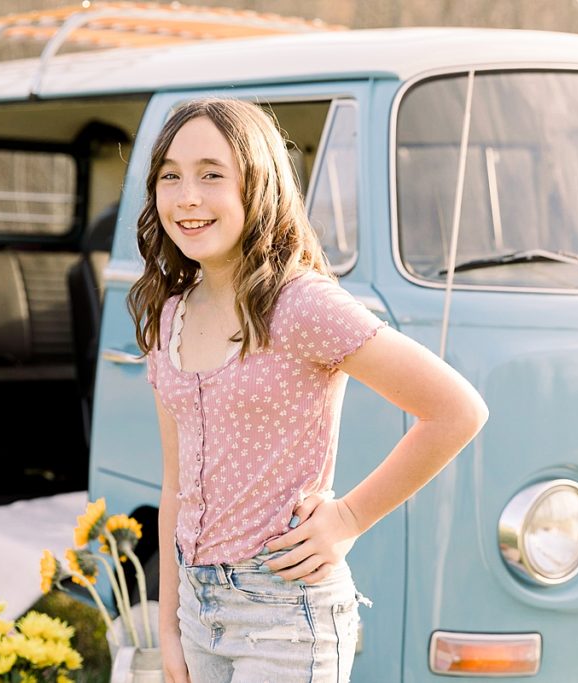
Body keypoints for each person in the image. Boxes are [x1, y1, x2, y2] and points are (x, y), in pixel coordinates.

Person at [127, 98, 488, 683]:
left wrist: (347, 517)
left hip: (285, 614)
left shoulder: (300, 303)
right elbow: (175, 488)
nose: (187, 196)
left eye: (212, 174)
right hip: (197, 612)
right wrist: (169, 626)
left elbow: (455, 411)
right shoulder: (169, 316)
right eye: (171, 175)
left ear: (259, 183)